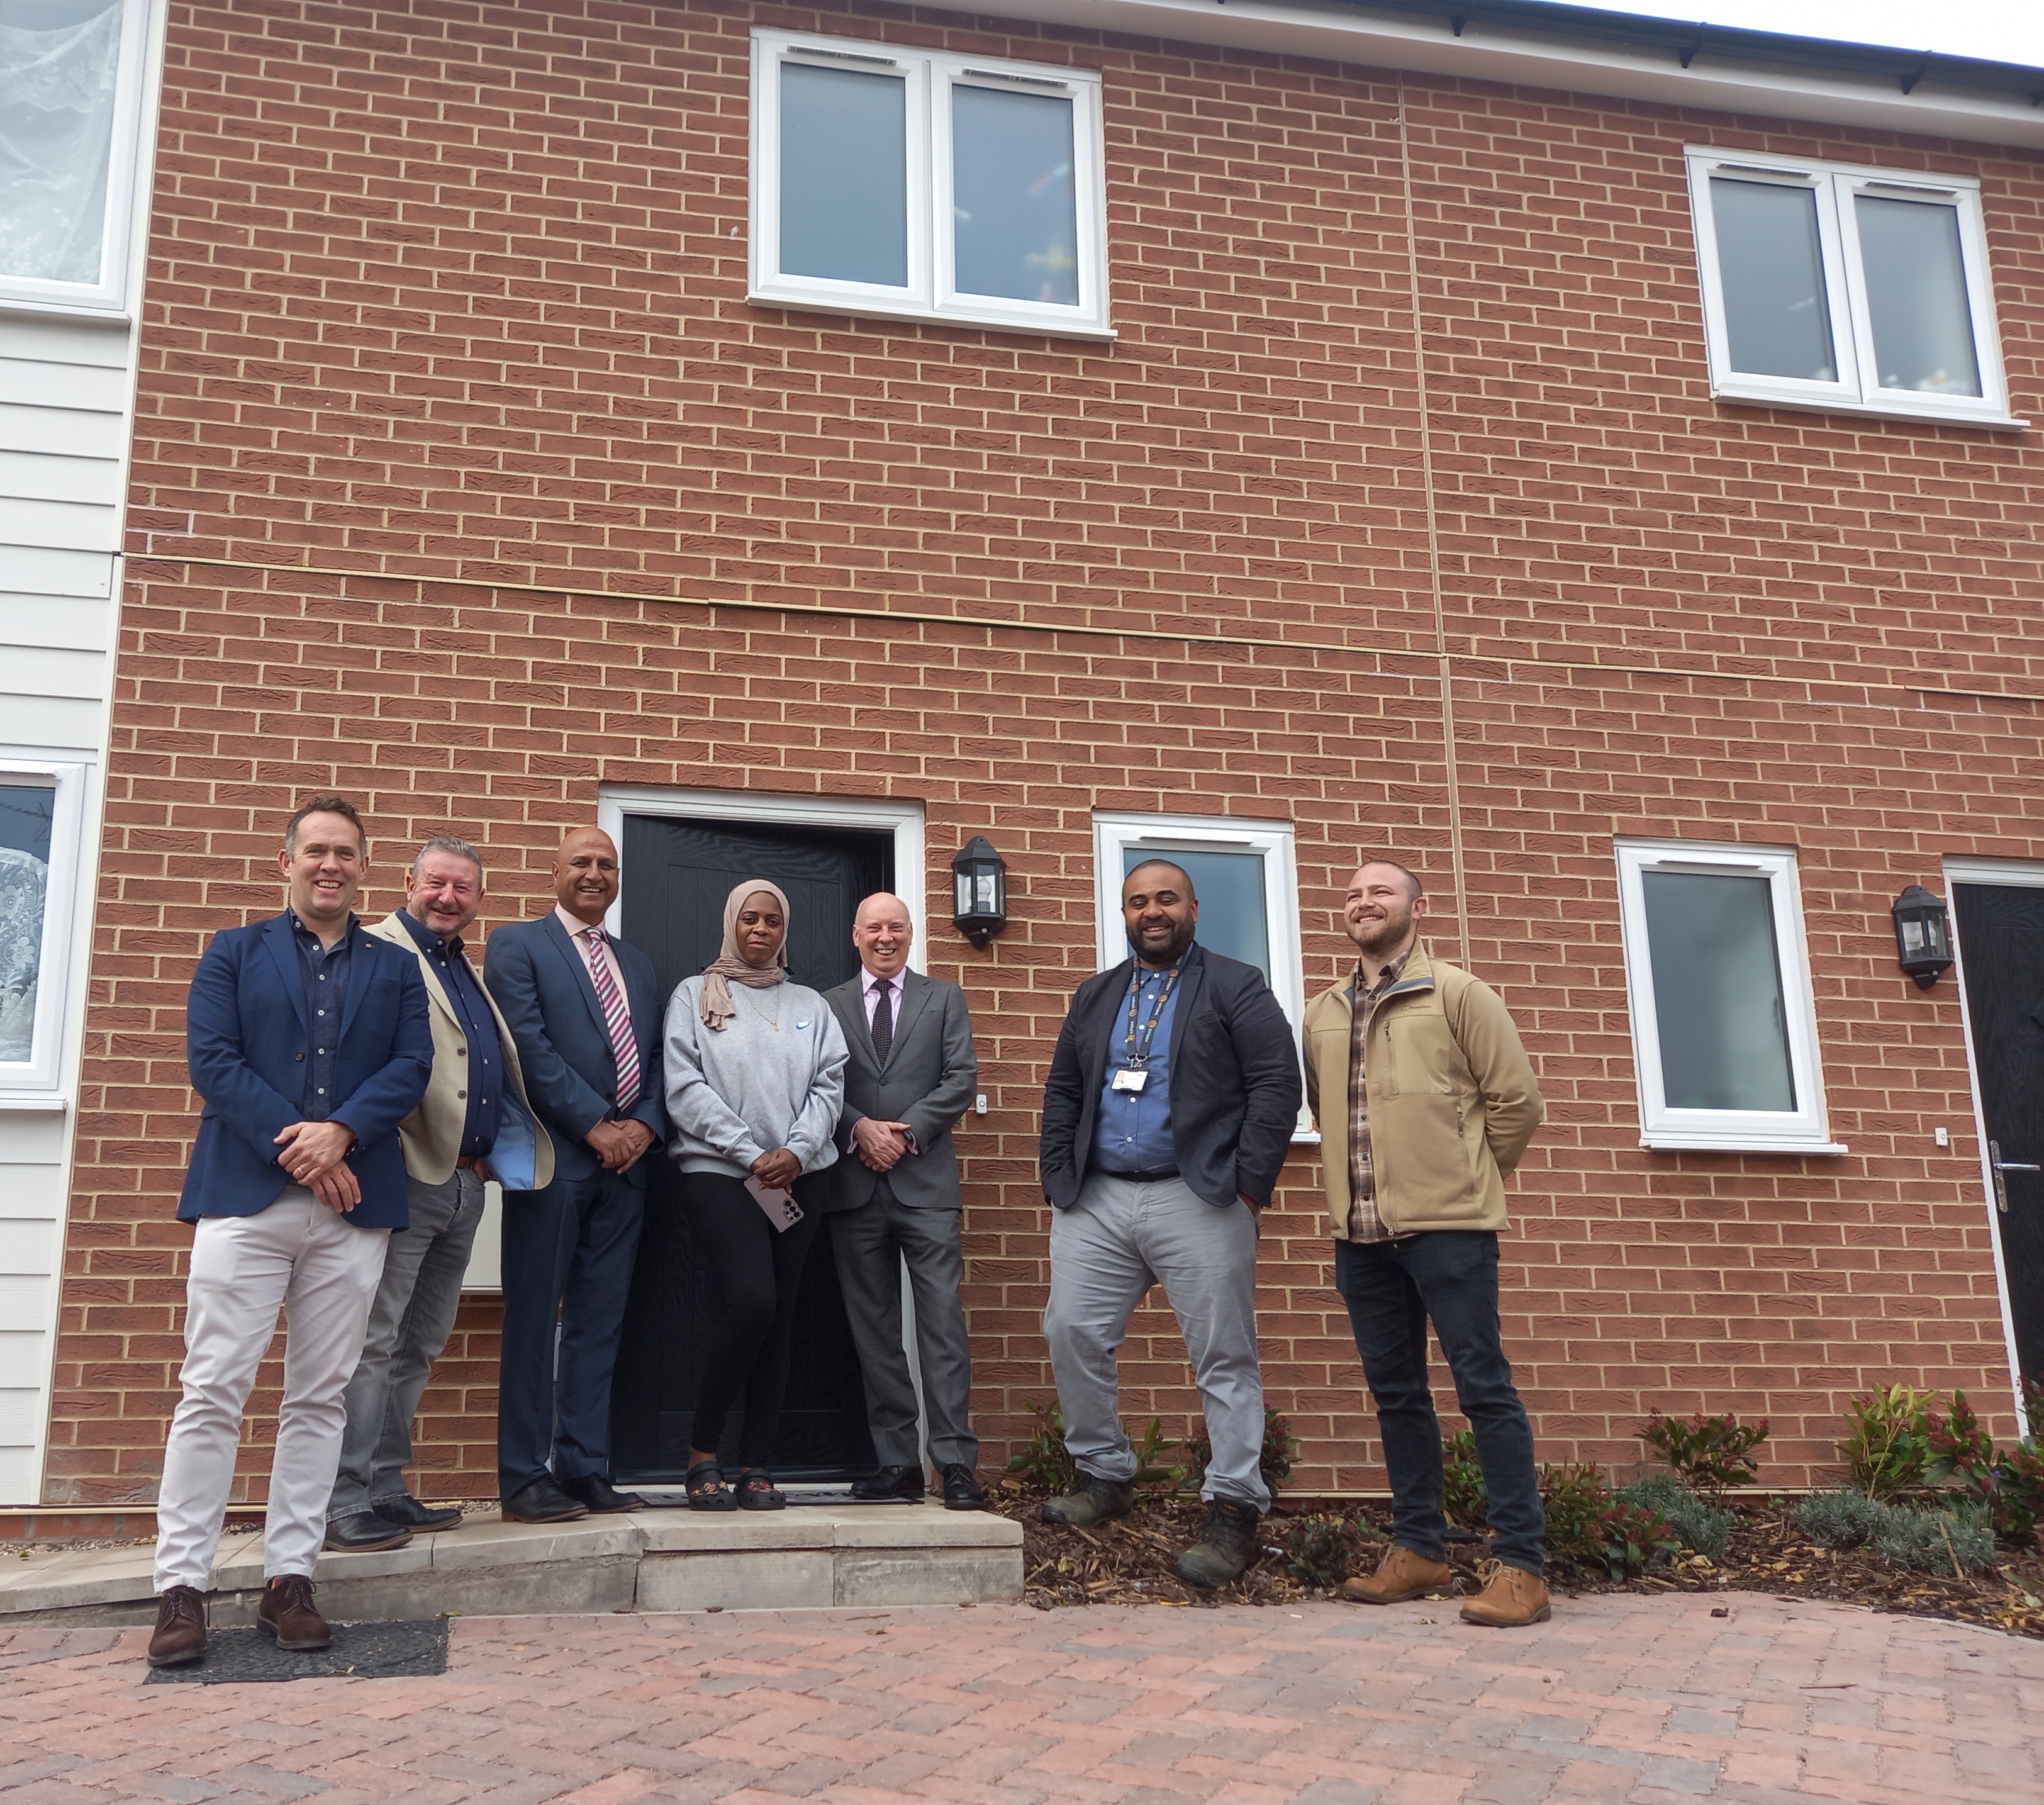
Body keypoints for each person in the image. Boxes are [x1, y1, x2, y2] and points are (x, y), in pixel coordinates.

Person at [147, 798, 433, 1669]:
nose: (330, 865)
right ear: (286, 861)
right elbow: (214, 1063)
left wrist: (341, 1134)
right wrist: (306, 1150)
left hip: (352, 1212)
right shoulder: (234, 953)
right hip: (245, 1202)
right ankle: (182, 1588)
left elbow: (410, 1068)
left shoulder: (395, 968)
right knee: (213, 1390)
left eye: (345, 853)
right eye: (316, 851)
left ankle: (288, 1581)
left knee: (319, 1396)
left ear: (362, 869)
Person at [1038, 859, 1302, 1587]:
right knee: (1071, 1329)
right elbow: (1065, 1087)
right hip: (1098, 1198)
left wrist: (1249, 1186)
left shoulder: (1235, 984)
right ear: (1123, 914)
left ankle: (1234, 1506)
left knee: (1223, 1356)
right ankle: (1104, 1473)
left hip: (1201, 1195)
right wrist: (1059, 1173)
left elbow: (1277, 1082)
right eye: (1136, 903)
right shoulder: (1096, 994)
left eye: (1164, 899)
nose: (1151, 912)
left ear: (1191, 906)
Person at [1304, 859, 1549, 1628]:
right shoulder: (1322, 1010)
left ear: (1419, 908)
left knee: (1485, 1391)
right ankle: (1420, 1548)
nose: (1363, 900)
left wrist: (1467, 1176)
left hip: (1451, 1229)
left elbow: (1518, 1103)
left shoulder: (1458, 993)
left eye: (1380, 891)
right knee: (1398, 1395)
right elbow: (1324, 1107)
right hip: (1362, 1235)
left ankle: (1523, 1567)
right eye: (1352, 893)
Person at [324, 835, 556, 1551]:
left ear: (478, 899)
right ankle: (342, 1502)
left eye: (462, 889)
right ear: (407, 882)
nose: (448, 898)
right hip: (401, 1179)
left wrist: (489, 1152)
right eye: (436, 884)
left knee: (419, 1344)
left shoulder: (460, 967)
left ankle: (387, 1487)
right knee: (373, 1341)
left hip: (464, 1182)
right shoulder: (376, 951)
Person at [484, 827, 666, 1524]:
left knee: (599, 1322)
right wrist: (596, 1125)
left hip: (627, 1171)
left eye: (606, 865)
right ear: (555, 872)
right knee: (535, 1320)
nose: (595, 874)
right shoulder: (517, 945)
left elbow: (652, 1057)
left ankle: (585, 1467)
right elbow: (524, 1046)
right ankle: (525, 1477)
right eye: (581, 863)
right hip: (556, 1162)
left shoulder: (639, 964)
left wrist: (643, 1126)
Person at [663, 880, 849, 1511]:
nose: (762, 930)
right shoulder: (696, 995)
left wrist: (796, 1150)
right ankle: (701, 1452)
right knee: (753, 1300)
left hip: (800, 1176)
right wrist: (750, 1152)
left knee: (782, 1317)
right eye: (750, 919)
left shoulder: (810, 1003)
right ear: (731, 923)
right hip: (720, 1172)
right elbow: (684, 1086)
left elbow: (830, 1084)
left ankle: (757, 1464)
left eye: (773, 920)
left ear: (784, 930)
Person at [823, 892, 986, 1509]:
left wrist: (904, 1131)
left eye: (896, 927)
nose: (885, 937)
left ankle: (955, 1463)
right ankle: (897, 1464)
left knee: (943, 1327)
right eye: (874, 928)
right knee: (876, 1333)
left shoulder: (944, 998)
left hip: (926, 1187)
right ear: (855, 935)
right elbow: (814, 1083)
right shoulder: (828, 1005)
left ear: (911, 934)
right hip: (853, 1187)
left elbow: (960, 1078)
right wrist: (859, 1125)